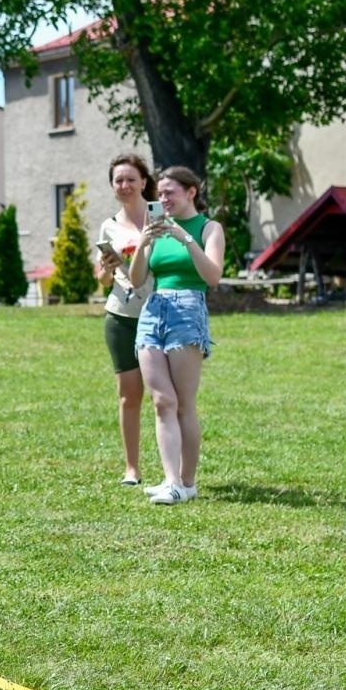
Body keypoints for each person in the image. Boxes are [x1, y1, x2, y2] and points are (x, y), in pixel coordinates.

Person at [128, 165, 225, 505]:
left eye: (169, 192)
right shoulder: (154, 227)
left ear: (191, 193)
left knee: (183, 403)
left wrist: (184, 238)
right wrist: (143, 243)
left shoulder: (208, 228)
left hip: (188, 310)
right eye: (160, 193)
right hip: (153, 311)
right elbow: (138, 279)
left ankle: (187, 482)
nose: (163, 198)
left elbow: (212, 276)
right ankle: (171, 481)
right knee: (161, 401)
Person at [94, 153, 156, 487]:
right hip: (121, 316)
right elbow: (103, 281)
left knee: (166, 396)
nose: (125, 185)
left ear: (144, 182)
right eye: (118, 180)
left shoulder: (160, 217)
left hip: (160, 313)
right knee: (129, 395)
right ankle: (132, 468)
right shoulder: (108, 226)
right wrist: (105, 267)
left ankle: (173, 467)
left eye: (131, 178)